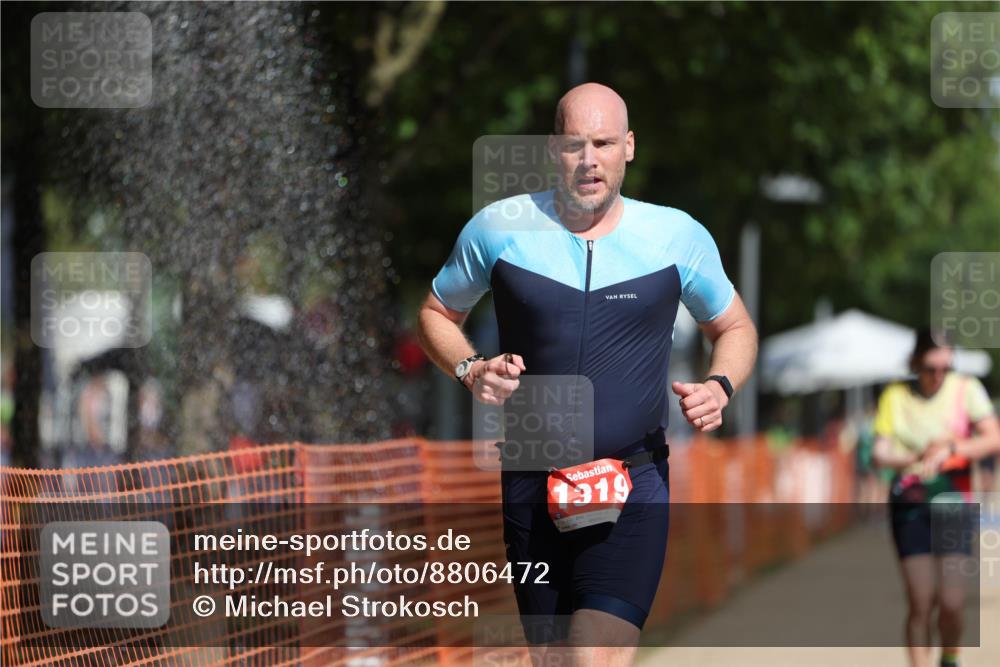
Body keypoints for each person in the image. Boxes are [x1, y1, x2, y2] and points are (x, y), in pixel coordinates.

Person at [416, 83, 757, 666]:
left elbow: (736, 328)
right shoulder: (500, 228)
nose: (590, 159)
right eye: (576, 145)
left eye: (603, 143)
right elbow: (433, 314)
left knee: (590, 656)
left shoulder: (677, 236)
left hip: (632, 480)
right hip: (529, 481)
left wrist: (718, 386)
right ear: (554, 149)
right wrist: (471, 369)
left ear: (629, 147)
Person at [872, 329, 1000, 667]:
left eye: (946, 367)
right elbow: (880, 453)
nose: (939, 376)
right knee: (920, 601)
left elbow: (993, 438)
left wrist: (951, 448)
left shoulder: (966, 388)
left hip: (953, 501)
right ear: (915, 363)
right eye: (931, 368)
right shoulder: (895, 396)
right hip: (910, 503)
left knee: (953, 602)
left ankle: (949, 657)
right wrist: (915, 457)